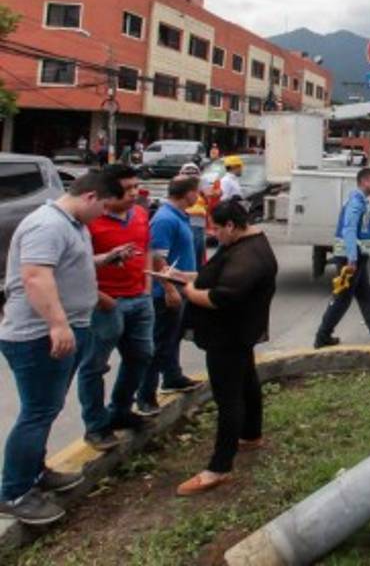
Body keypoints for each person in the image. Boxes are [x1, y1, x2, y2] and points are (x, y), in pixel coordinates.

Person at [0, 170, 130, 525]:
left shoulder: (72, 225)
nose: (103, 215)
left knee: (47, 408)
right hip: (37, 336)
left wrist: (106, 259)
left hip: (67, 329)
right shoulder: (48, 225)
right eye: (103, 207)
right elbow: (35, 276)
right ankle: (13, 492)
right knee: (38, 411)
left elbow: (70, 265)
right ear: (90, 197)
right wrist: (57, 323)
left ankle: (35, 473)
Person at [168, 200, 277, 496]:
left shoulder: (248, 255)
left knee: (228, 398)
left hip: (227, 335)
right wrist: (187, 278)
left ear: (231, 225)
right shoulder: (250, 244)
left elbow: (220, 297)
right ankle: (251, 434)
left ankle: (219, 467)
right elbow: (220, 278)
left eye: (216, 228)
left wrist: (190, 292)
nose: (214, 234)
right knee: (247, 383)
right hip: (240, 333)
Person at [77, 165, 153, 451]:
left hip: (139, 299)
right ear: (107, 191)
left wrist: (145, 288)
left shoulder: (141, 215)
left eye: (136, 186)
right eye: (128, 188)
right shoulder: (89, 222)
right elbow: (76, 267)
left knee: (141, 356)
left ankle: (120, 410)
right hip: (104, 305)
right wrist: (100, 297)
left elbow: (147, 249)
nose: (135, 192)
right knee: (94, 366)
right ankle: (96, 425)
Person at [135, 176, 204, 416]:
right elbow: (156, 256)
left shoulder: (179, 217)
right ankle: (145, 395)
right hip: (164, 293)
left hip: (180, 288)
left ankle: (172, 376)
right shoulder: (165, 219)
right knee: (158, 343)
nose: (199, 195)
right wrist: (169, 289)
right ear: (188, 194)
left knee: (172, 338)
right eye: (197, 191)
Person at [313, 167, 370, 348]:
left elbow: (368, 223)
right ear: (365, 182)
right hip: (350, 257)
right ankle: (322, 336)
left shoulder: (363, 200)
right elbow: (349, 230)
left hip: (360, 255)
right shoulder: (355, 202)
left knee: (366, 293)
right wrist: (351, 258)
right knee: (342, 298)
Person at [180, 163, 208, 267]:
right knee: (196, 254)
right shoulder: (201, 183)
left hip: (192, 221)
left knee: (193, 253)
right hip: (195, 222)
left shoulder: (180, 184)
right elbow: (208, 198)